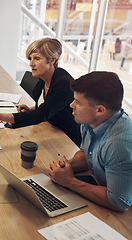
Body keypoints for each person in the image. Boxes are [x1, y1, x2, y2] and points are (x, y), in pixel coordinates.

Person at [48, 71, 132, 211]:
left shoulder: (119, 144)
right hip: (102, 188)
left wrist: (70, 181)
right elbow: (87, 153)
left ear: (99, 110)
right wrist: (68, 166)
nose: (71, 105)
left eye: (78, 102)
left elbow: (119, 201)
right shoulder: (90, 121)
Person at [0, 38, 81, 146]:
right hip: (51, 130)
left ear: (52, 61)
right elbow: (50, 106)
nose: (31, 63)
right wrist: (32, 109)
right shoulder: (43, 78)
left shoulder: (64, 84)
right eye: (30, 59)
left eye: (36, 58)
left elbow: (41, 115)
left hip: (68, 140)